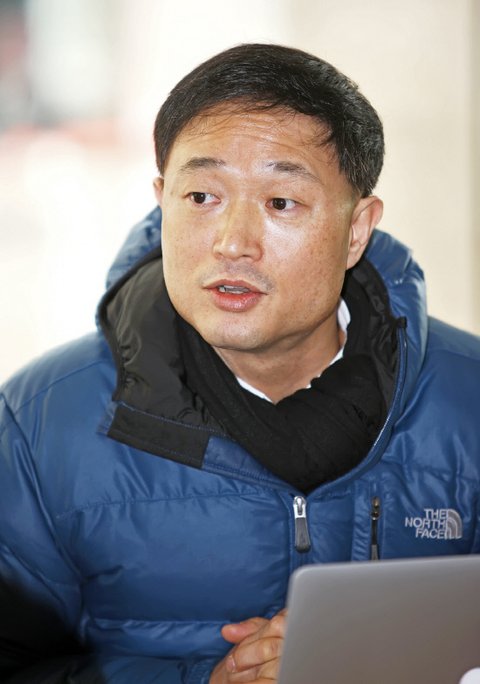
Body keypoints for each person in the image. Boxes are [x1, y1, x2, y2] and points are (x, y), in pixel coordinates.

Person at [0, 43, 479, 684]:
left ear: (357, 230)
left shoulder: (468, 399)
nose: (232, 243)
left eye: (281, 203)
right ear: (162, 200)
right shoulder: (38, 421)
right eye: (202, 196)